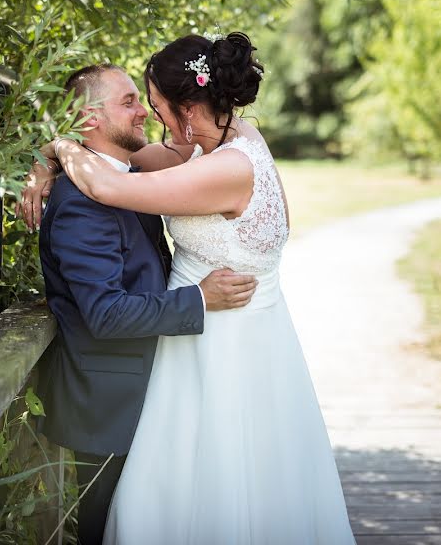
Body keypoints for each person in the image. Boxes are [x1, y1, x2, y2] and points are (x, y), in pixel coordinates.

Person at [25, 33, 354, 544]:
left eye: (154, 107)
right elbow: (117, 171)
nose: (152, 120)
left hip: (220, 340)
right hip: (222, 335)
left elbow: (110, 186)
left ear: (187, 108)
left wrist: (60, 144)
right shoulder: (234, 140)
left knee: (216, 478)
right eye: (136, 105)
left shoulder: (223, 168)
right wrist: (51, 155)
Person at [26, 63, 259, 545]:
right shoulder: (79, 205)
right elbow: (107, 314)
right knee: (108, 531)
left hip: (154, 388)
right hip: (112, 406)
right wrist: (199, 298)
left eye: (142, 100)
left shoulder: (127, 175)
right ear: (88, 118)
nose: (144, 113)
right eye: (129, 102)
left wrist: (50, 152)